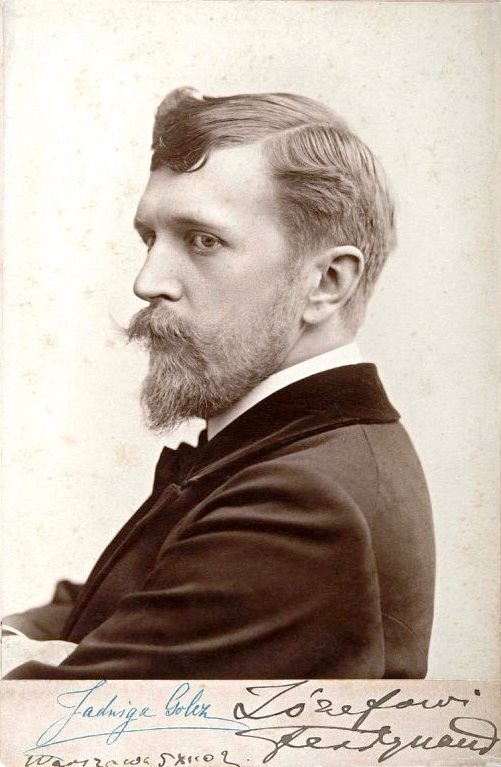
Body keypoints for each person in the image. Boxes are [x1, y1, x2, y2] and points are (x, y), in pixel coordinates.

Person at [3, 87, 435, 679]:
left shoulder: (301, 505)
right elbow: (101, 607)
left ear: (327, 283)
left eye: (203, 241)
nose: (147, 282)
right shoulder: (284, 453)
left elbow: (49, 718)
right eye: (150, 239)